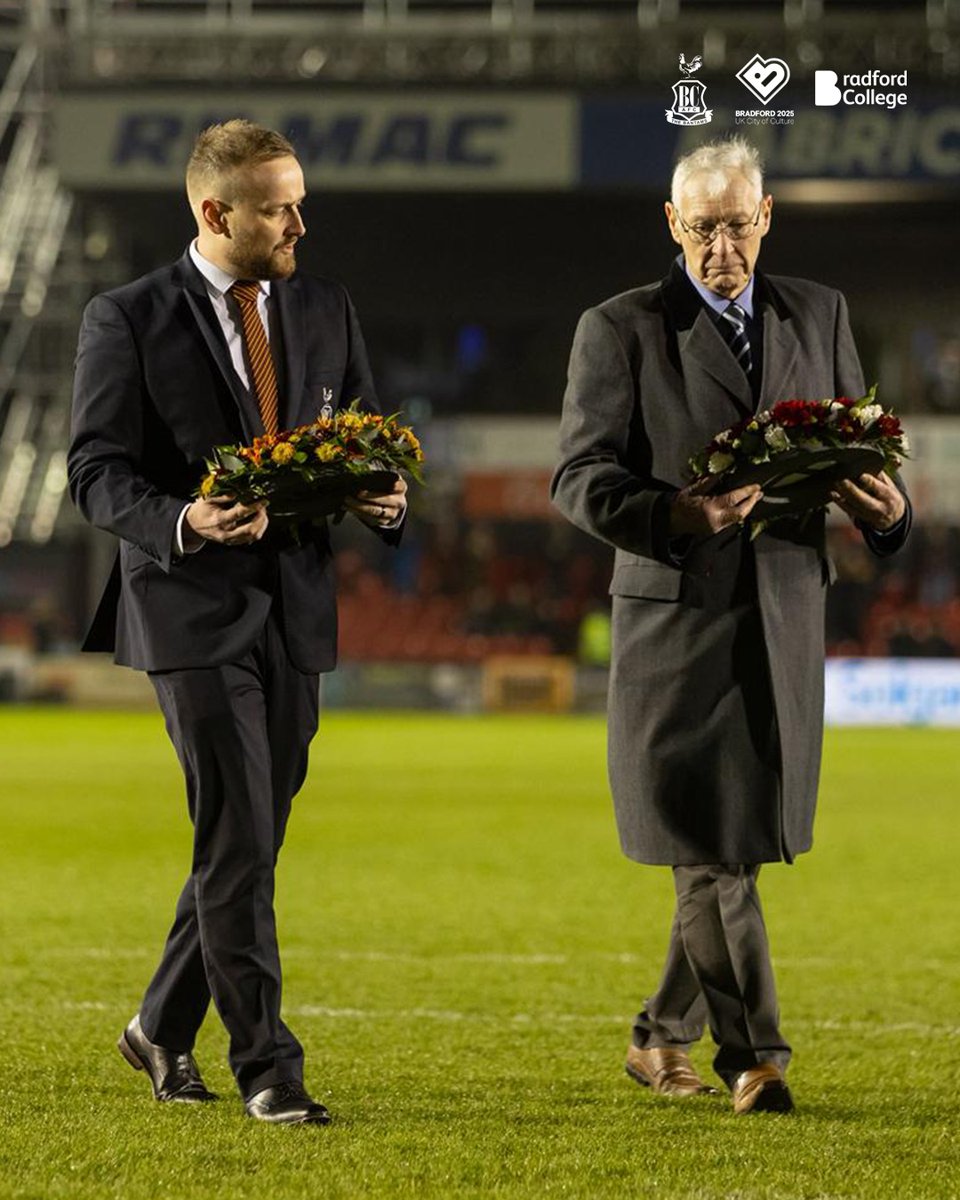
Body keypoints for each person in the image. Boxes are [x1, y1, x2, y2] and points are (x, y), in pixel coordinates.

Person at [550, 136, 910, 1115]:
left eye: (738, 224)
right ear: (673, 224)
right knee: (707, 852)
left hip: (785, 617)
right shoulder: (619, 328)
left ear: (767, 218)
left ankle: (660, 1034)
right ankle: (756, 1056)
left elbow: (857, 448)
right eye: (702, 227)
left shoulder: (819, 312)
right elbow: (577, 477)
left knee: (734, 849)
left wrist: (888, 514)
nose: (722, 246)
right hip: (677, 626)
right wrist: (673, 514)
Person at [68, 120, 407, 1126]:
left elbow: (365, 435)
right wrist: (182, 519)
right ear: (216, 213)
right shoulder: (125, 317)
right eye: (278, 205)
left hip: (296, 607)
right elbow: (95, 473)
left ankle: (159, 1027)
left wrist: (383, 497)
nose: (301, 220)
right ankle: (269, 1063)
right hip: (187, 606)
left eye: (299, 199)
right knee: (239, 833)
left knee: (247, 840)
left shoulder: (325, 306)